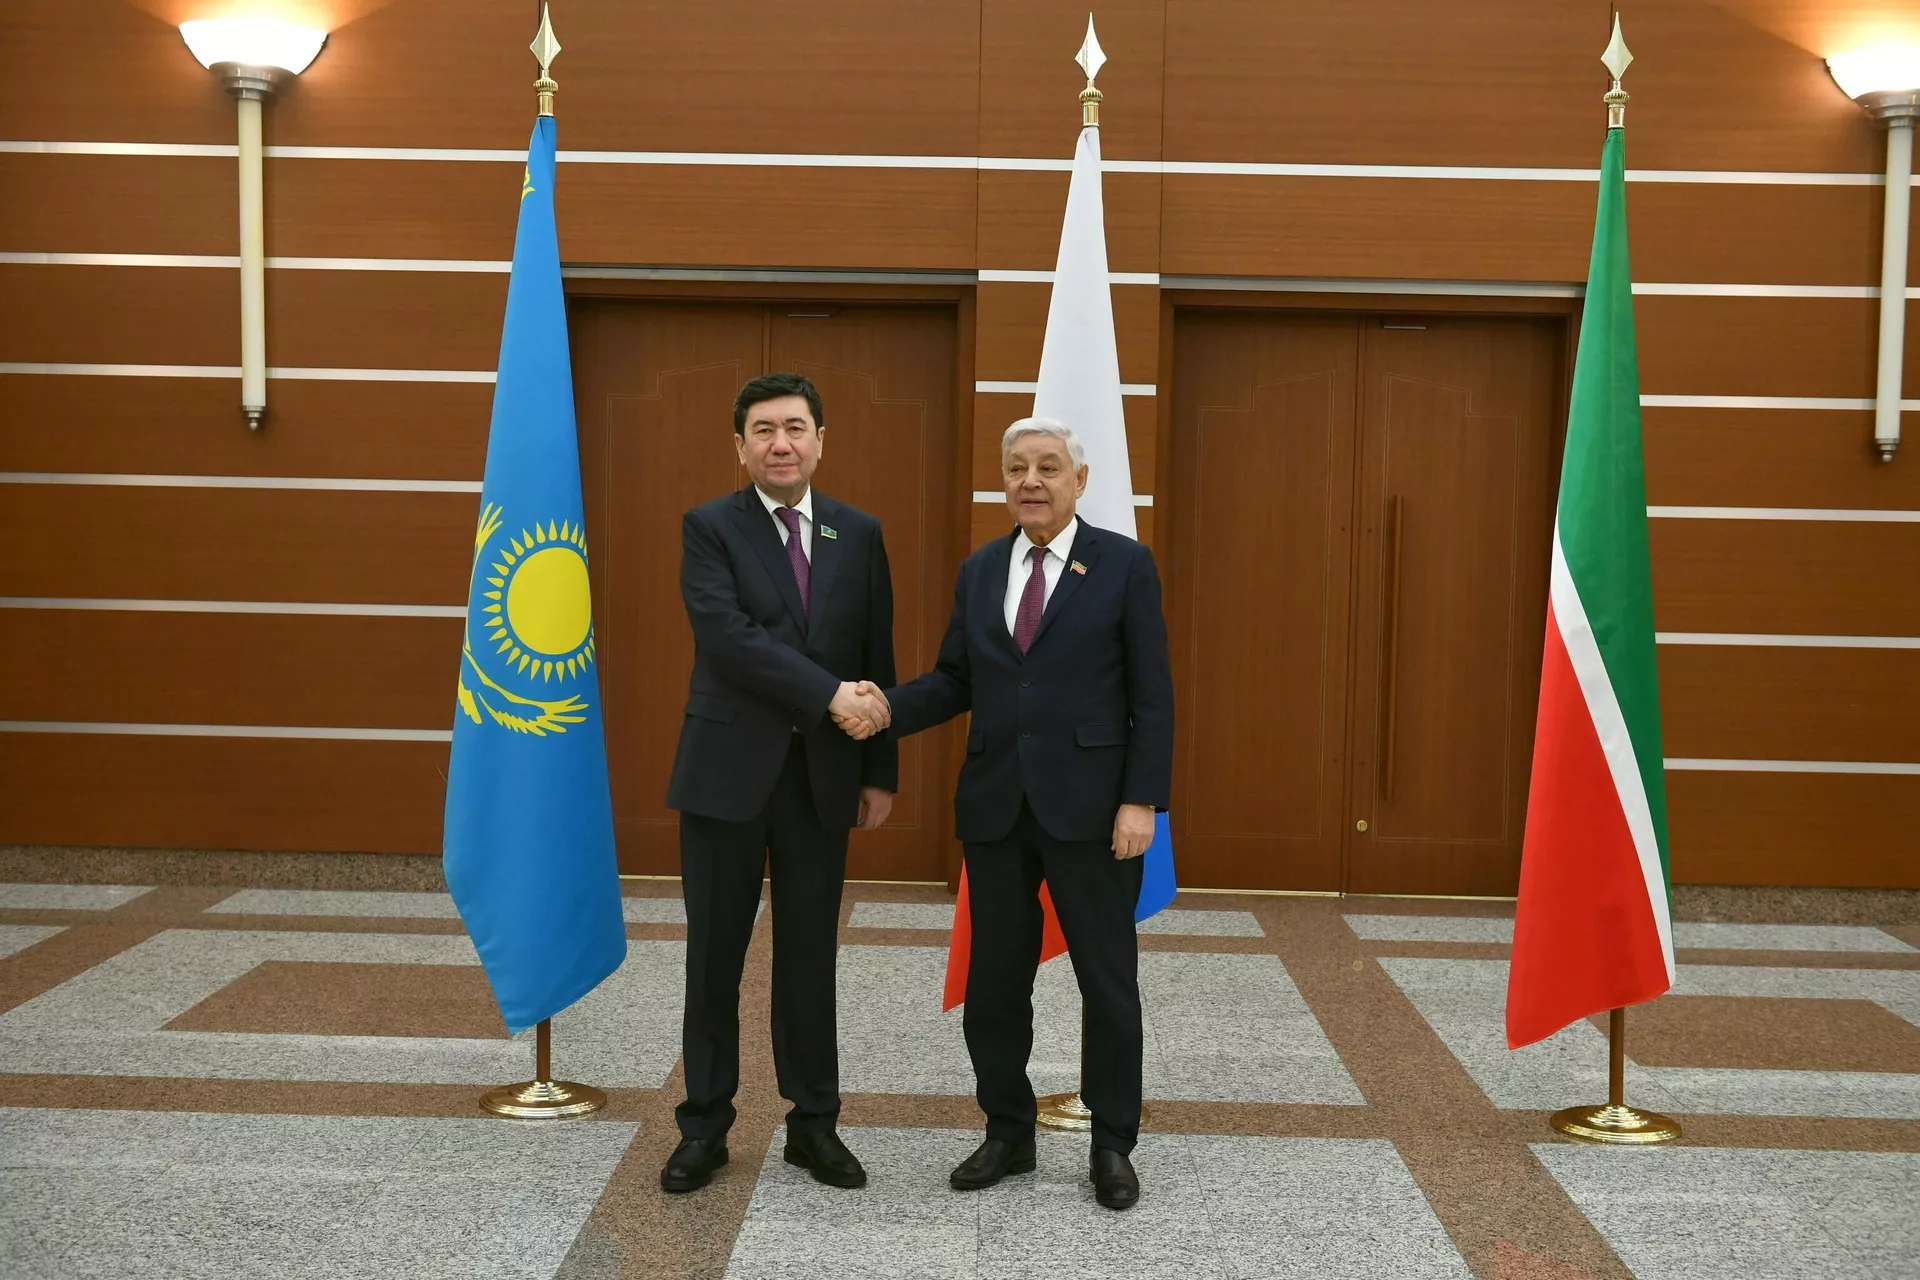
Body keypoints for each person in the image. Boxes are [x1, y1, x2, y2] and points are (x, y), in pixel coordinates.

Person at [843, 417, 1173, 1211]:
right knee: (993, 984)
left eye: (1048, 467)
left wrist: (1141, 800)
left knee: (1108, 984)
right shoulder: (982, 569)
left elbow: (1153, 694)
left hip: (1094, 812)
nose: (1031, 481)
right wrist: (886, 707)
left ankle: (1112, 1145)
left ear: (1079, 481)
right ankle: (1007, 1132)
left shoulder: (1124, 565)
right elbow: (957, 679)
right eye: (1017, 467)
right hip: (996, 809)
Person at [661, 371, 896, 1194]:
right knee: (713, 958)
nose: (781, 443)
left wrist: (879, 769)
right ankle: (704, 1128)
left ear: (820, 440)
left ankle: (815, 1125)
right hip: (725, 776)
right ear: (741, 446)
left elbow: (876, 649)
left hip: (822, 779)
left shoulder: (857, 533)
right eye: (763, 430)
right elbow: (728, 637)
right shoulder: (709, 527)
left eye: (795, 428)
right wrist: (829, 694)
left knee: (808, 960)